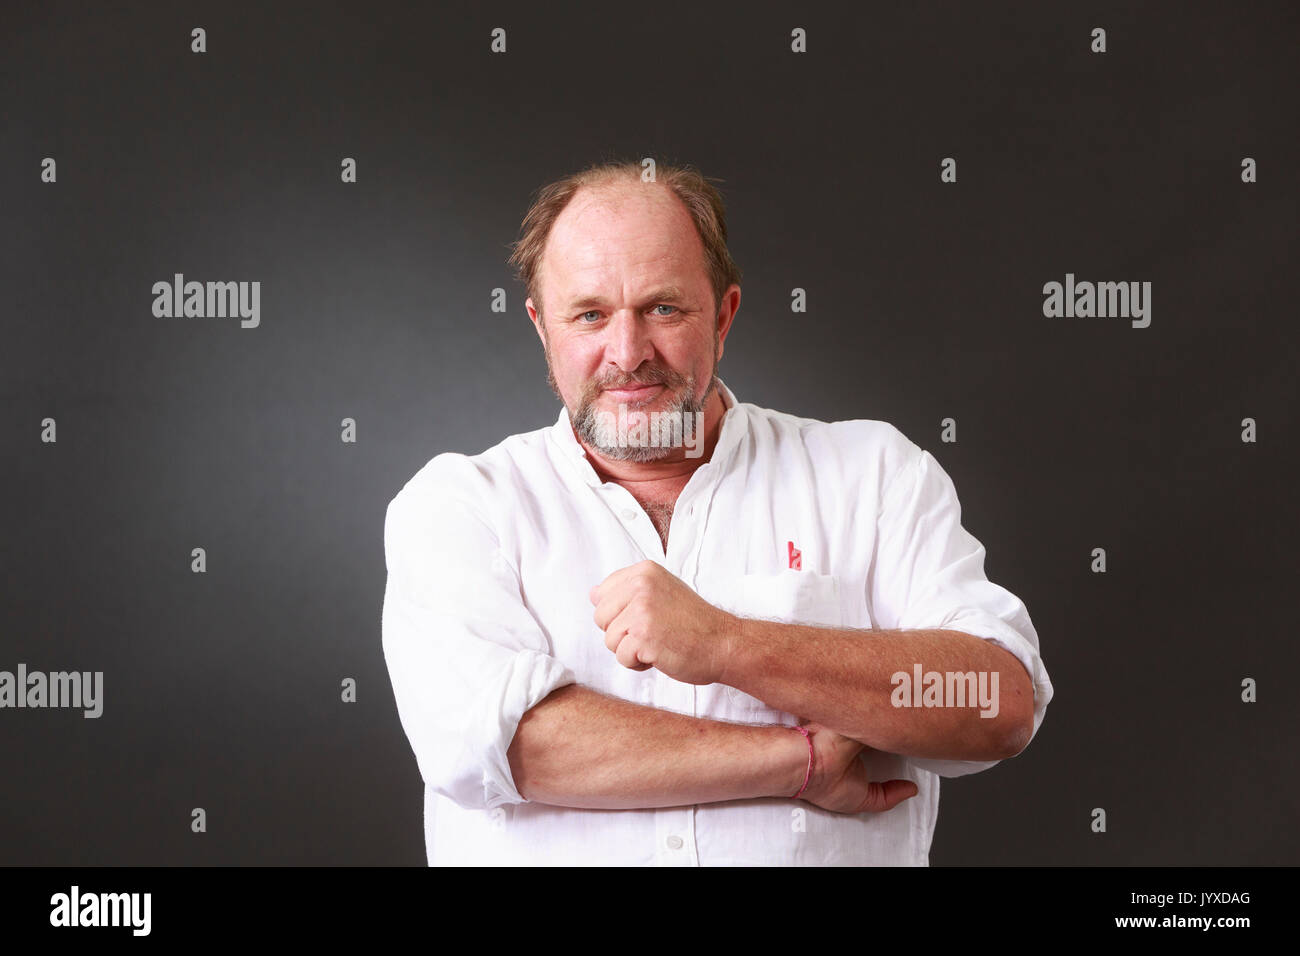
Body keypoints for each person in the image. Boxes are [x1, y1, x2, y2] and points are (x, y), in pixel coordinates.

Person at [380, 159, 1054, 865]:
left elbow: (995, 702)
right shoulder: (460, 507)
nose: (628, 352)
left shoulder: (872, 474)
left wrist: (726, 644)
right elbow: (509, 746)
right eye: (590, 315)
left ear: (724, 314)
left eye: (663, 308)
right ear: (543, 329)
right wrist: (800, 761)